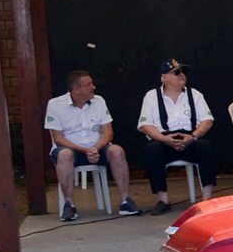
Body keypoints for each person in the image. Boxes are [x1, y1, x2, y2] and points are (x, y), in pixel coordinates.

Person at [43, 69, 142, 219]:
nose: (93, 87)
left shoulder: (99, 101)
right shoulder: (55, 104)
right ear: (76, 89)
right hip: (71, 150)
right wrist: (84, 150)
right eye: (88, 84)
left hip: (97, 148)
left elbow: (108, 133)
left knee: (117, 151)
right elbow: (58, 138)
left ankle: (125, 202)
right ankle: (69, 205)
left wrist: (95, 148)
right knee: (64, 154)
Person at [138, 57, 217, 214]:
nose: (182, 74)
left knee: (206, 147)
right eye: (177, 72)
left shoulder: (194, 94)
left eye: (183, 71)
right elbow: (145, 125)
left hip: (190, 138)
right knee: (152, 150)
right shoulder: (151, 96)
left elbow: (208, 120)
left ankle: (207, 199)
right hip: (164, 140)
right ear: (164, 78)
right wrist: (164, 139)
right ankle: (163, 200)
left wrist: (193, 137)